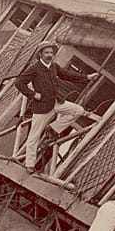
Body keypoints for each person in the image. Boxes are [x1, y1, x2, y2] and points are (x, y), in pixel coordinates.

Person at [14, 40, 98, 174]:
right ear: (40, 54)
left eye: (51, 53)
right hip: (42, 107)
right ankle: (30, 164)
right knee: (34, 136)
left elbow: (68, 75)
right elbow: (19, 83)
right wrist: (34, 95)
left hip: (56, 102)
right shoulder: (34, 68)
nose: (49, 55)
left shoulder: (54, 67)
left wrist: (87, 77)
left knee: (78, 110)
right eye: (46, 52)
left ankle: (54, 128)